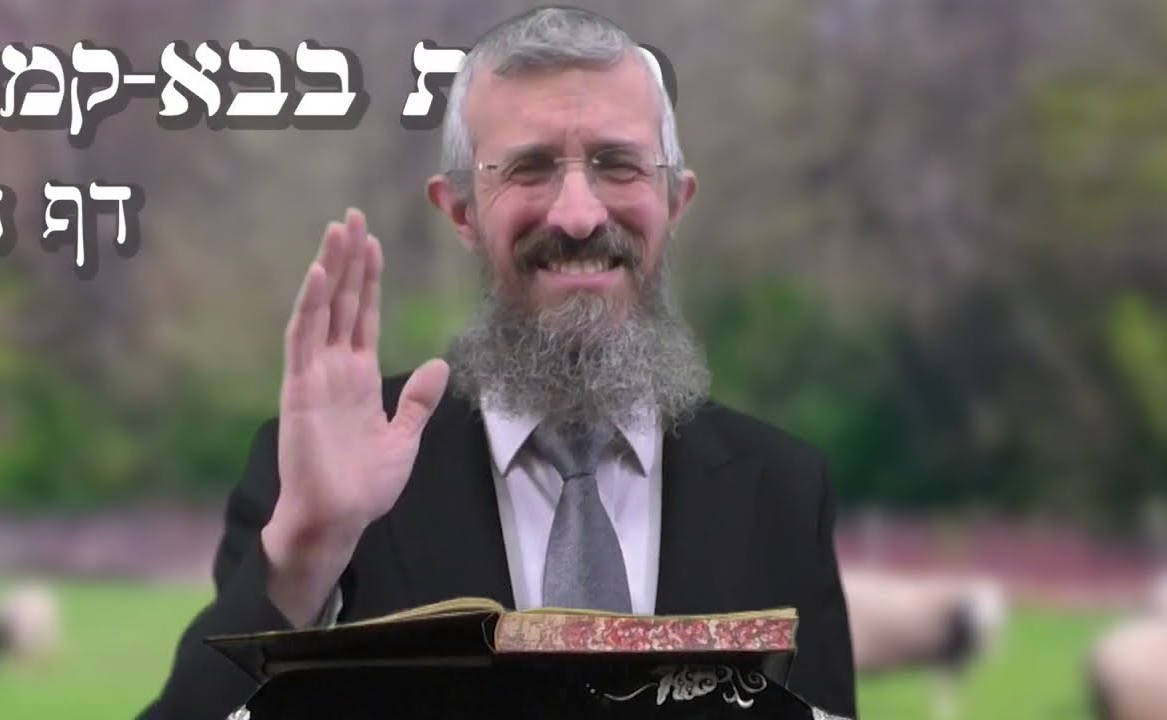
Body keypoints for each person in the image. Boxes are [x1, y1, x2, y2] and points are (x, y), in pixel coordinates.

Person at [141, 6, 857, 719]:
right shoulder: (329, 484)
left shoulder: (782, 491)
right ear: (462, 211)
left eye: (617, 164)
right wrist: (306, 552)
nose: (578, 214)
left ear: (675, 200)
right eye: (529, 168)